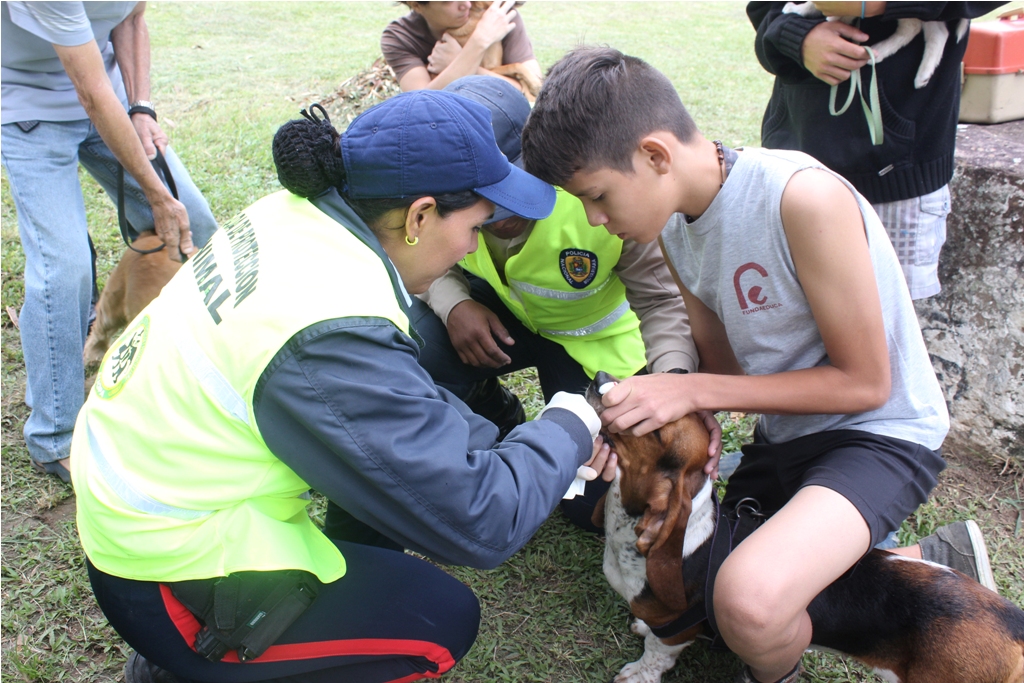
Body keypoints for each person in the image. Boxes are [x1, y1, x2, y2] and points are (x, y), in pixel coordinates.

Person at [72, 90, 619, 683]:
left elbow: (404, 409)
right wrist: (570, 425)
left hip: (146, 503)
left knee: (396, 502)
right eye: (475, 226)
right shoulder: (325, 330)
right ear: (419, 217)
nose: (471, 248)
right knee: (437, 623)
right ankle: (183, 667)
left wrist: (524, 448)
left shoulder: (298, 220)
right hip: (169, 575)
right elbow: (480, 522)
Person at [520, 46, 997, 683]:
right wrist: (658, 413)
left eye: (597, 196)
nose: (595, 220)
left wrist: (685, 391)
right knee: (687, 576)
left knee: (746, 601)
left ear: (656, 156)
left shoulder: (801, 198)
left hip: (879, 436)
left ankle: (777, 673)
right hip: (789, 435)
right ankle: (931, 557)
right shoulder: (678, 224)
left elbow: (865, 384)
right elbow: (720, 364)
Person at [415, 75, 719, 532]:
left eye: (517, 189)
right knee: (417, 349)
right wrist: (453, 303)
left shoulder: (598, 196)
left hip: (598, 352)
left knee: (588, 501)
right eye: (484, 208)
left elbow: (661, 304)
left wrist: (672, 380)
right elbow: (418, 261)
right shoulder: (442, 205)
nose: (501, 218)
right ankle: (492, 416)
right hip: (506, 320)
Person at [1, 1, 218, 484]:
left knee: (198, 225)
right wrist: (156, 196)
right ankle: (54, 435)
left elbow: (131, 18)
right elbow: (91, 94)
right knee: (64, 267)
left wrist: (140, 107)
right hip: (28, 109)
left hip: (110, 95)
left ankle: (215, 376)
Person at [746, 1, 1004, 300]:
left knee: (890, 327)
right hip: (796, 163)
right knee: (794, 319)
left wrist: (879, 3)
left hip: (898, 177)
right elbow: (764, 8)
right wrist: (796, 36)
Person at [381, 0, 541, 93]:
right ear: (416, 4)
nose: (465, 4)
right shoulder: (400, 36)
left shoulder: (496, 15)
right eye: (448, 1)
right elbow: (421, 104)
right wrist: (478, 43)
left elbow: (532, 93)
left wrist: (457, 62)